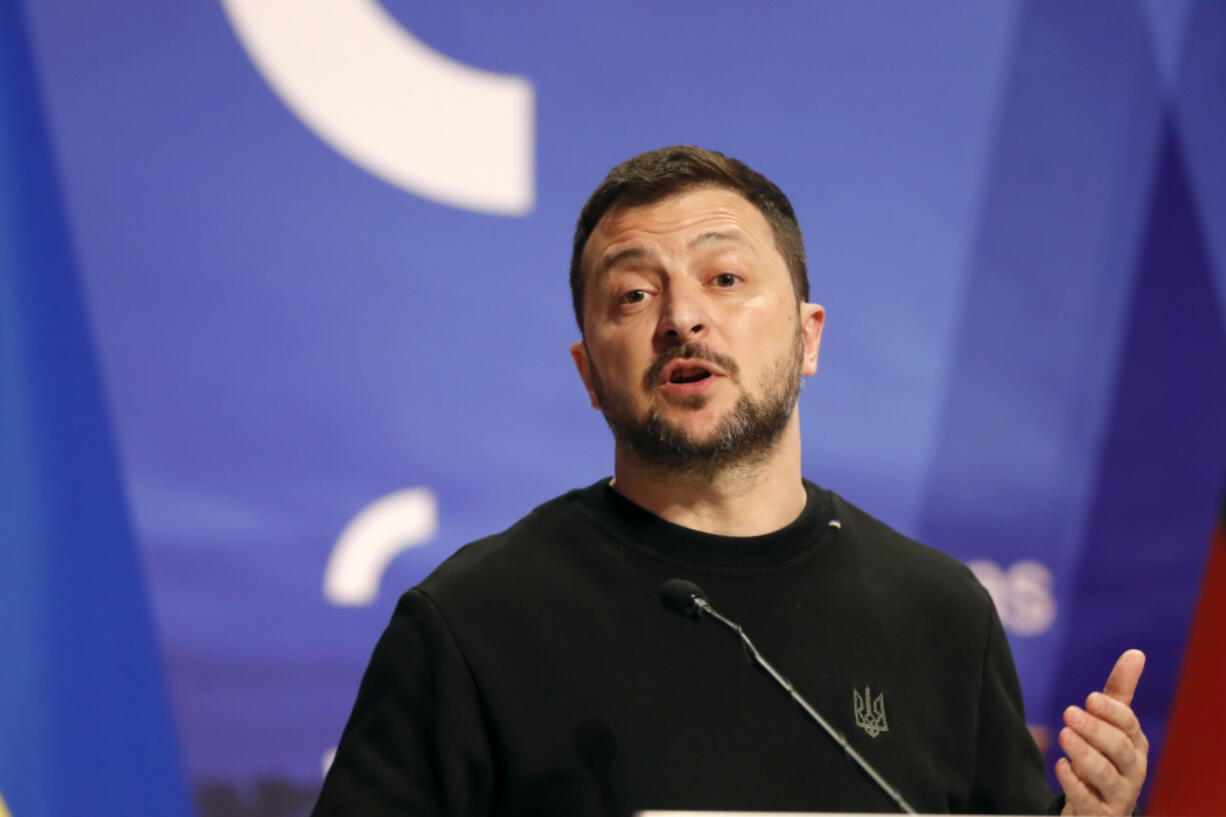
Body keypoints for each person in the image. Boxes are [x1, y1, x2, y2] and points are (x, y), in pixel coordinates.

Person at [312, 146, 1148, 816]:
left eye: (725, 279)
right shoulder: (470, 624)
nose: (682, 318)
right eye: (634, 294)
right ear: (589, 373)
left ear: (808, 337)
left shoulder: (939, 613)